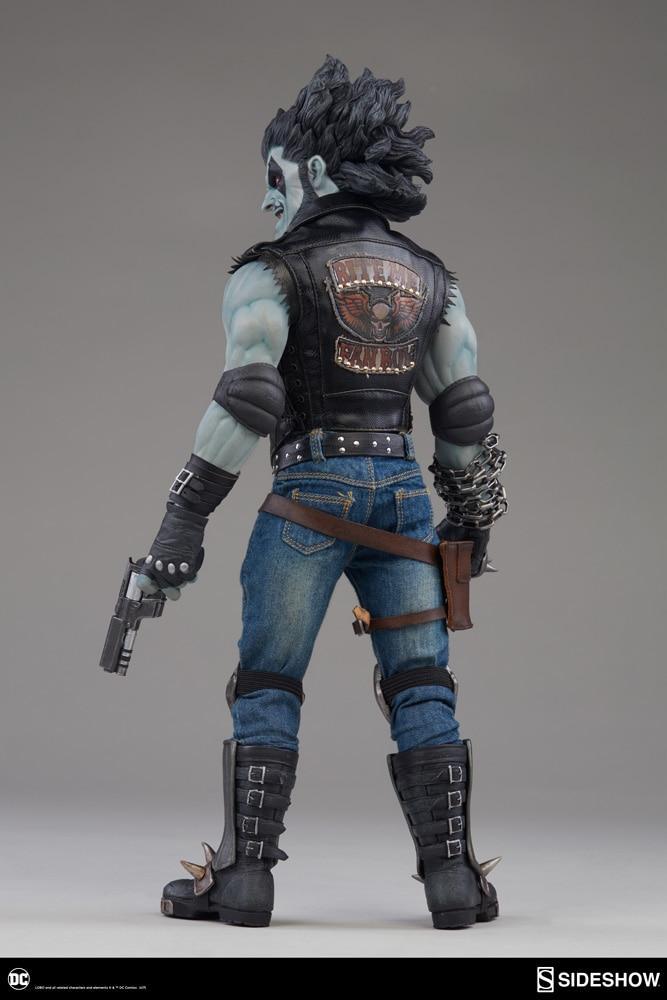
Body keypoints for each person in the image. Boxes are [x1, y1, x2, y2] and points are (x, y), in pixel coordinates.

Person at [133, 55, 508, 930]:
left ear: (308, 170)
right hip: (403, 497)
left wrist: (181, 523)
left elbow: (247, 399)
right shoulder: (434, 280)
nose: (268, 199)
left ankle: (244, 880)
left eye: (273, 177)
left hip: (309, 491)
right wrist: (468, 518)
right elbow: (463, 408)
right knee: (421, 681)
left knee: (268, 679)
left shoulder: (269, 272)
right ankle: (453, 881)